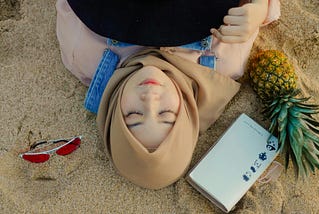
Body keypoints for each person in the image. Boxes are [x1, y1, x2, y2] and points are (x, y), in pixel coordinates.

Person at [55, 0, 280, 189]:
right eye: (166, 113)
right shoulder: (227, 61)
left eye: (133, 114)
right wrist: (260, 8)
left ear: (112, 115)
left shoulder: (82, 55)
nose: (150, 98)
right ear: (187, 113)